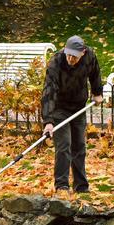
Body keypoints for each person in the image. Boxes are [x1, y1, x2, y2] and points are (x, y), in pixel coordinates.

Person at [41, 35, 104, 194]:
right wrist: (48, 121)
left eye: (74, 56)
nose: (70, 58)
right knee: (64, 146)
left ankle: (81, 186)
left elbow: (95, 73)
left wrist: (97, 92)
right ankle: (61, 185)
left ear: (82, 53)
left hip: (78, 106)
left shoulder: (89, 55)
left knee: (79, 146)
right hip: (59, 108)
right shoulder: (56, 62)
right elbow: (49, 91)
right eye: (68, 54)